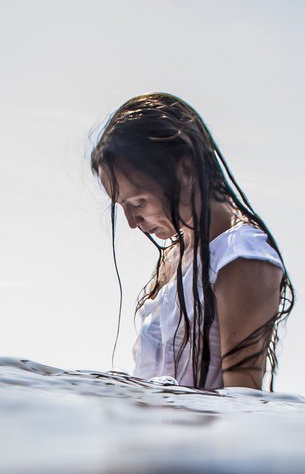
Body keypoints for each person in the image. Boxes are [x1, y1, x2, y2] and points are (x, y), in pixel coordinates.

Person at [90, 93, 294, 391]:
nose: (133, 223)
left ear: (184, 170)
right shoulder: (176, 255)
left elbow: (244, 404)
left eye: (139, 202)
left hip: (195, 438)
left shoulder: (242, 258)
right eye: (123, 207)